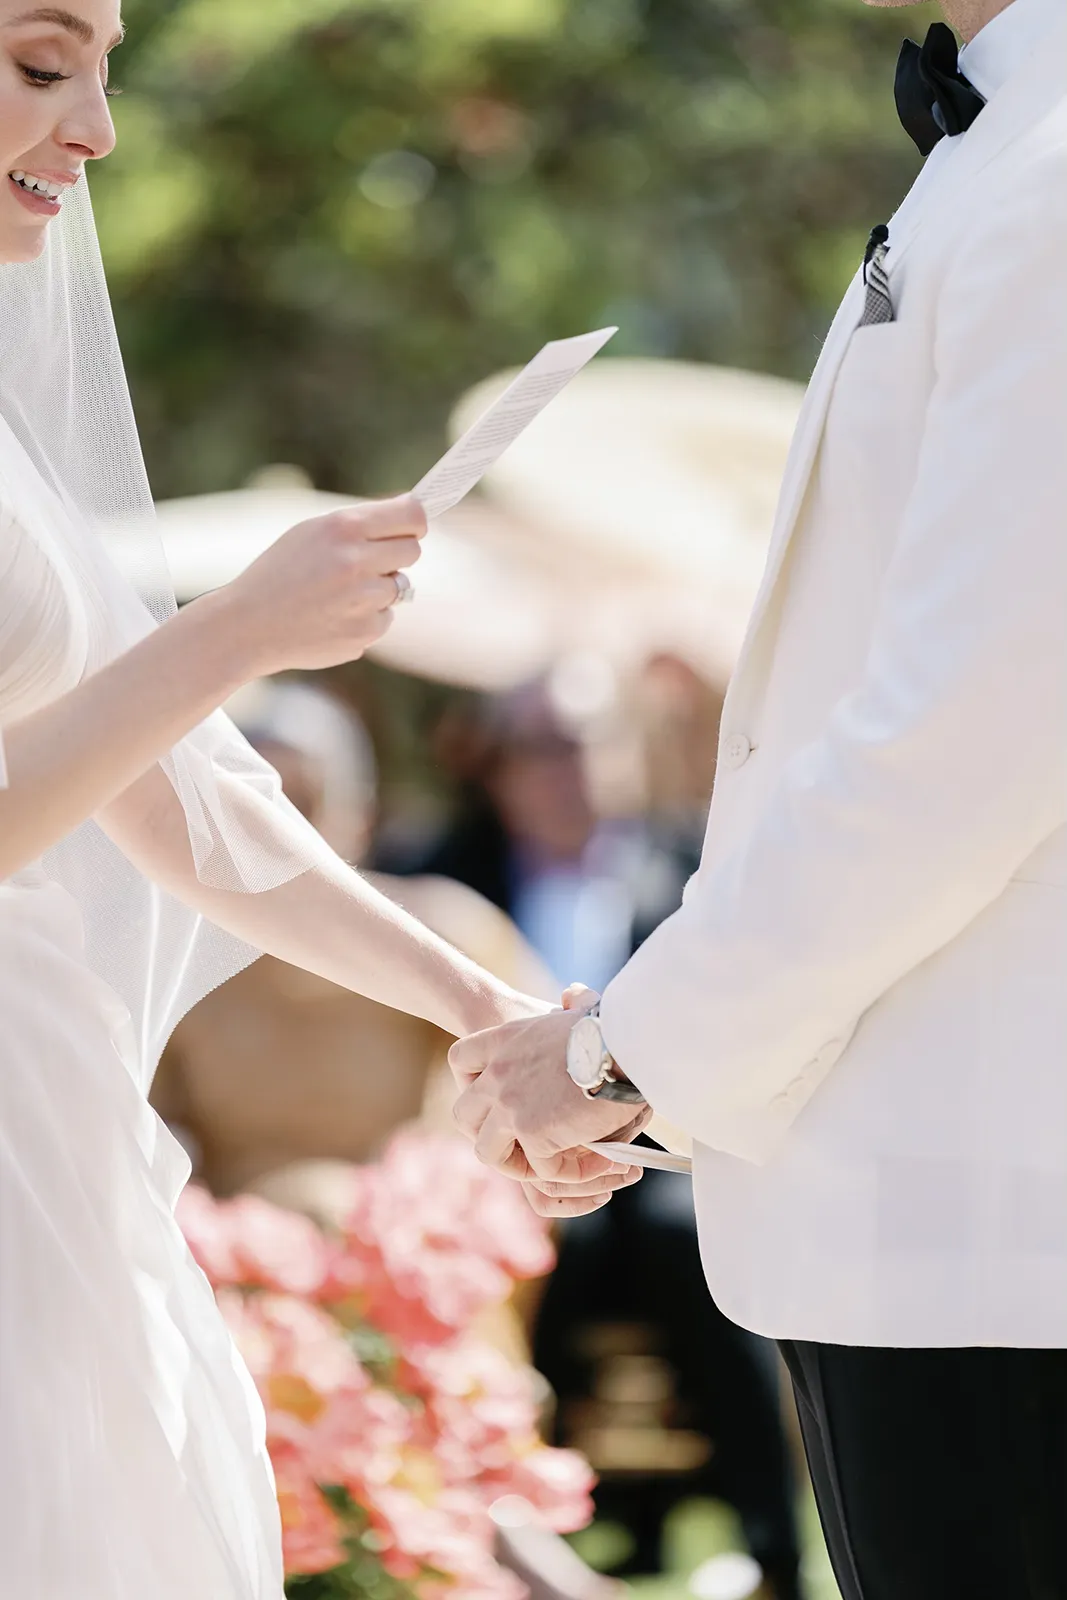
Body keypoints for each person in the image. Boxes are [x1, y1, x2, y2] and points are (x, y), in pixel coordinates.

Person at [0, 7, 641, 1592]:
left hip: (43, 1120)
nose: (97, 132)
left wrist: (484, 1012)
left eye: (106, 72)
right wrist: (235, 631)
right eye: (36, 63)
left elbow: (177, 803)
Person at [450, 1, 1067, 1597]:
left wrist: (623, 1049)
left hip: (988, 1238)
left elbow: (967, 732)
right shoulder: (1000, 152)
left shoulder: (1049, 168)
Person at [152, 678, 557, 1196]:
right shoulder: (176, 964)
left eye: (301, 802)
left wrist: (416, 1222)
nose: (277, 833)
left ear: (361, 818)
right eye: (251, 809)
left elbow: (535, 1086)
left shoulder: (448, 933)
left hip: (413, 1245)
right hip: (225, 1263)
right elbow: (148, 1126)